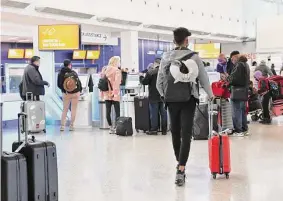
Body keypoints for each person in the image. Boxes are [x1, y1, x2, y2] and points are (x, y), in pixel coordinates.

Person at [156, 27, 213, 186]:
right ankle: (181, 168)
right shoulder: (194, 57)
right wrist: (210, 94)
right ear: (186, 41)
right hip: (189, 100)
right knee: (186, 133)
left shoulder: (166, 57)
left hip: (171, 100)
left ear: (174, 41)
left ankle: (179, 161)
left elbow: (159, 81)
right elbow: (203, 78)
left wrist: (164, 96)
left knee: (175, 131)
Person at [140, 58, 167, 135]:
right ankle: (164, 130)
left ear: (155, 63)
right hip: (164, 96)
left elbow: (144, 82)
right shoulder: (165, 72)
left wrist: (141, 77)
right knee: (164, 113)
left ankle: (154, 130)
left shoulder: (151, 72)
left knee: (154, 113)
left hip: (153, 96)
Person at [227, 54, 250, 136]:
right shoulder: (246, 65)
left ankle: (238, 131)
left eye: (233, 60)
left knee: (236, 111)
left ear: (236, 58)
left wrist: (227, 78)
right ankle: (244, 129)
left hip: (237, 92)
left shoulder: (239, 65)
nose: (232, 62)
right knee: (242, 111)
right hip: (244, 91)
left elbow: (234, 78)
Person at [57, 59, 82, 131]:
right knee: (73, 109)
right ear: (69, 65)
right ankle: (71, 126)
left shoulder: (60, 73)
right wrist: (79, 91)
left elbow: (59, 84)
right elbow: (79, 83)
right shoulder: (73, 72)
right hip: (75, 93)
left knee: (65, 109)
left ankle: (62, 126)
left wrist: (64, 90)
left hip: (66, 94)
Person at [101, 56, 122, 134]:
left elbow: (102, 82)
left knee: (108, 111)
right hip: (114, 94)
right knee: (117, 112)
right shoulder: (117, 71)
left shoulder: (104, 70)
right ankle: (117, 127)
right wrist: (115, 93)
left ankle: (110, 127)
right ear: (116, 62)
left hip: (106, 93)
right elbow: (117, 83)